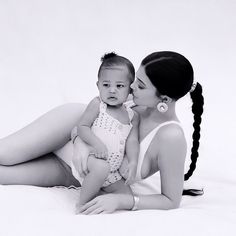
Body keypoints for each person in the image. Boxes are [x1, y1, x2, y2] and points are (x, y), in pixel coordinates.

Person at [0, 51, 204, 214]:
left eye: (140, 85)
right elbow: (86, 121)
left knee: (4, 175)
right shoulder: (132, 101)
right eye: (135, 80)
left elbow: (171, 200)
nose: (131, 87)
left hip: (73, 173)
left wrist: (119, 200)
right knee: (4, 154)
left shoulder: (170, 137)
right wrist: (79, 142)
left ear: (165, 100)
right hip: (66, 130)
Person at [70, 52, 139, 208]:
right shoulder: (98, 105)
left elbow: (132, 141)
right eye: (106, 85)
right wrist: (97, 144)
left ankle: (97, 193)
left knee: (127, 196)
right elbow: (82, 127)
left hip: (112, 171)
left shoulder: (132, 115)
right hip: (91, 160)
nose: (112, 90)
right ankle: (82, 204)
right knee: (101, 168)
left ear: (130, 89)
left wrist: (133, 161)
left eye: (119, 86)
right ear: (98, 85)